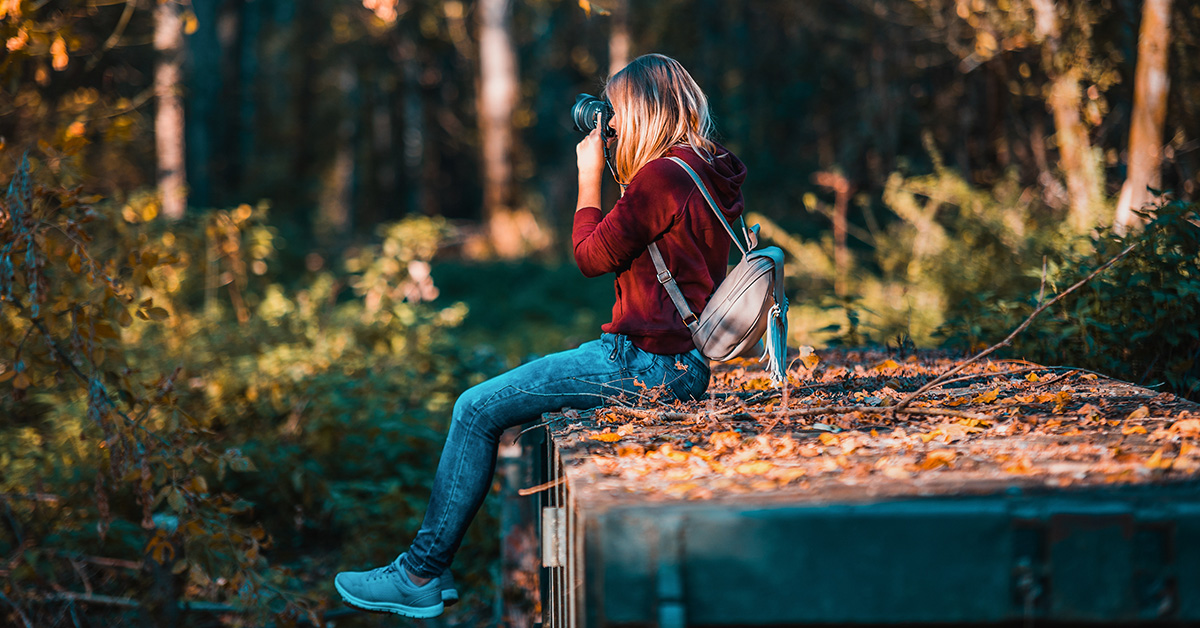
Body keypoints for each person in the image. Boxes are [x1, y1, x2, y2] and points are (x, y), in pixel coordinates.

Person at [332, 53, 747, 618]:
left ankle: (420, 573)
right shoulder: (710, 166)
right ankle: (426, 570)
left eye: (618, 112)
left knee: (475, 409)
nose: (613, 125)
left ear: (643, 110)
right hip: (681, 363)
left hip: (643, 365)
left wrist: (587, 177)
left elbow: (590, 256)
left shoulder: (661, 177)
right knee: (510, 402)